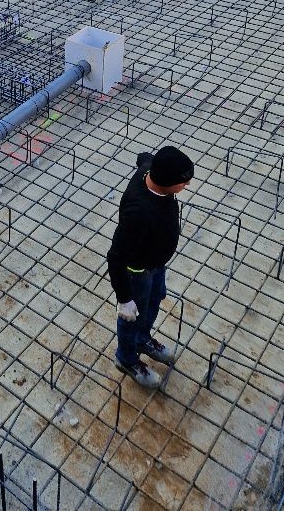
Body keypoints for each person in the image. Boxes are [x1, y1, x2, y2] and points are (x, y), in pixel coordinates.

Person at [107, 145, 194, 388]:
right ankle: (126, 358)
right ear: (166, 182)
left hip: (155, 263)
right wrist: (124, 299)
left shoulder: (149, 169)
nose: (186, 186)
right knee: (133, 315)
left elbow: (143, 157)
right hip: (137, 273)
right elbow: (115, 256)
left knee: (155, 300)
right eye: (183, 183)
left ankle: (142, 340)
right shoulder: (138, 213)